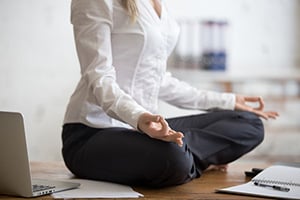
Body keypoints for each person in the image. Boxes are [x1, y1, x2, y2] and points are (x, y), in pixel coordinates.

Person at [62, 0, 279, 188]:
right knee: (173, 157)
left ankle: (189, 158)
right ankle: (193, 158)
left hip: (147, 132)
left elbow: (160, 81)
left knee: (250, 124)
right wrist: (138, 117)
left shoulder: (157, 4)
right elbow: (99, 76)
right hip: (91, 134)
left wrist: (227, 101)